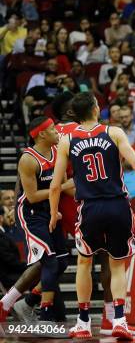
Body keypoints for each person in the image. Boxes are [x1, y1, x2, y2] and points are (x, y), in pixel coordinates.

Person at [49, 92, 135, 339]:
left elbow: (56, 185)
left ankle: (83, 322)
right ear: (95, 109)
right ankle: (119, 320)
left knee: (84, 263)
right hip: (118, 206)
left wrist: (53, 212)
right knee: (117, 264)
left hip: (89, 207)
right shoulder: (114, 132)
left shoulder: (67, 140)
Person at [0, 117, 75, 325]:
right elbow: (32, 196)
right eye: (52, 129)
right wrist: (63, 187)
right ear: (42, 134)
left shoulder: (58, 150)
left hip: (48, 210)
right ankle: (45, 317)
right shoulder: (28, 159)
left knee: (61, 262)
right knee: (50, 261)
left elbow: (58, 184)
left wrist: (55, 208)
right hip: (31, 214)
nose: (57, 132)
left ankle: (26, 302)